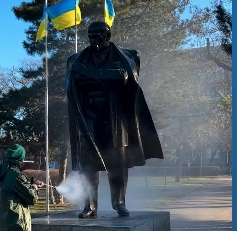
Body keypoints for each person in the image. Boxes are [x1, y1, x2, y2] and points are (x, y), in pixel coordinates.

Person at [65, 21, 164, 219]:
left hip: (115, 117)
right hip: (89, 115)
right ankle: (89, 206)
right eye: (90, 34)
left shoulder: (126, 56)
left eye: (97, 34)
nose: (92, 38)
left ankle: (119, 203)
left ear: (107, 34)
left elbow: (121, 78)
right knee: (89, 163)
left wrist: (89, 74)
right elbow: (76, 82)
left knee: (117, 162)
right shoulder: (76, 59)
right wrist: (104, 76)